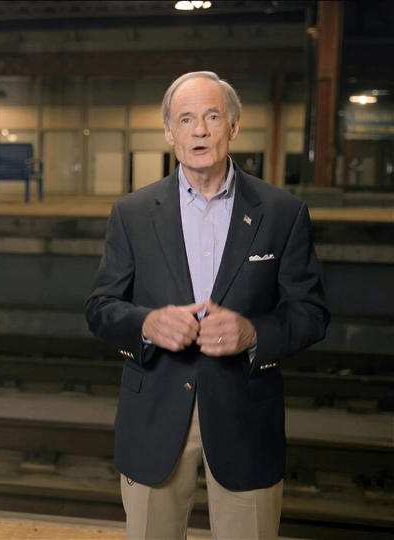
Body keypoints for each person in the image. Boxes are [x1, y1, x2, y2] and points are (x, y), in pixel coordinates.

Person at [85, 71, 329, 539]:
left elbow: (312, 313)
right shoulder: (132, 214)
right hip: (154, 417)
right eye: (186, 119)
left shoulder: (282, 212)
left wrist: (255, 334)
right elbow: (100, 307)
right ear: (169, 132)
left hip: (244, 419)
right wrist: (147, 324)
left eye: (212, 116)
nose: (199, 130)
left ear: (233, 127)